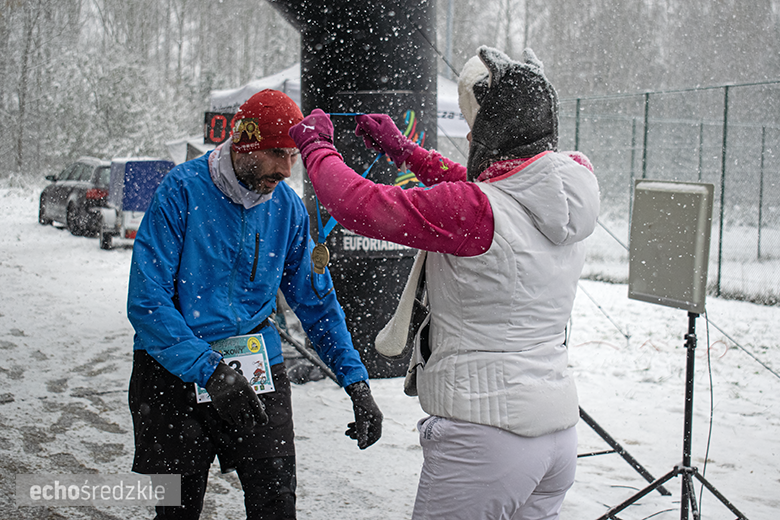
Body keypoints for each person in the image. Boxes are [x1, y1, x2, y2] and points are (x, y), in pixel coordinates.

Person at [289, 47, 600, 520]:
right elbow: (484, 186)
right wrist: (404, 151)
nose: (471, 135)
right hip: (555, 431)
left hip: (487, 436)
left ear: (498, 130)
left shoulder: (477, 213)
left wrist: (316, 147)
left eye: (479, 125)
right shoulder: (563, 194)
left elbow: (356, 203)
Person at [127, 89, 383, 520]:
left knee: (276, 504)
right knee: (176, 510)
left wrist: (356, 382)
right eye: (276, 154)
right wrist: (209, 371)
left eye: (293, 156)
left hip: (254, 365)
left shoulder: (286, 207)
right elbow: (146, 301)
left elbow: (318, 302)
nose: (286, 170)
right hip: (173, 370)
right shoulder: (181, 191)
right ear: (245, 144)